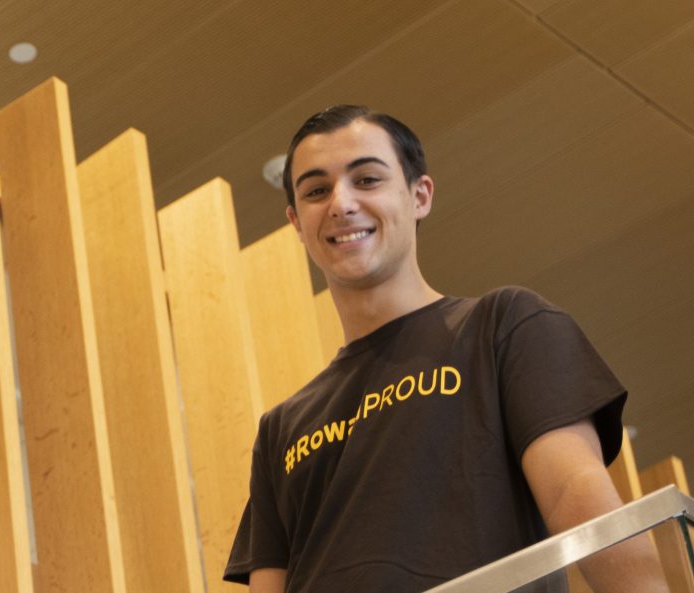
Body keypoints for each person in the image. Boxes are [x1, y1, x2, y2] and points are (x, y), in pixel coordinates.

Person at [224, 105, 665, 592]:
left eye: (367, 180)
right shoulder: (281, 429)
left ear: (420, 196)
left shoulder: (503, 327)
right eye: (316, 190)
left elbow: (579, 502)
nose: (341, 203)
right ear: (295, 222)